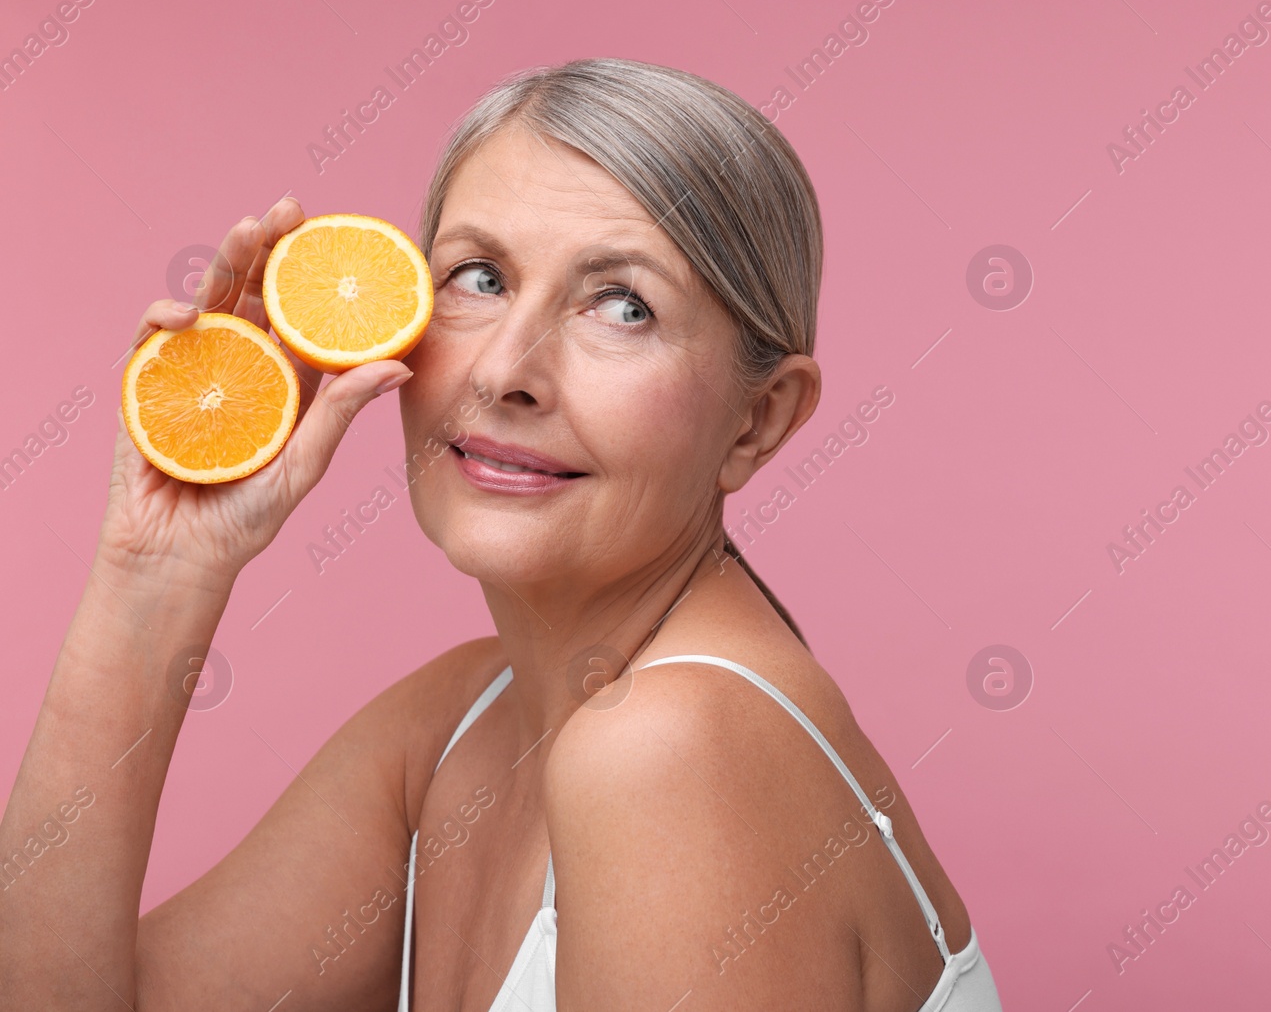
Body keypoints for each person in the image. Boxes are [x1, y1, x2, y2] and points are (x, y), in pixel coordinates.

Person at [0, 57, 1002, 1011]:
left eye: (623, 305)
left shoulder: (673, 748)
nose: (505, 369)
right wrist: (155, 575)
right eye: (478, 276)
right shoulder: (452, 730)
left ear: (758, 419)